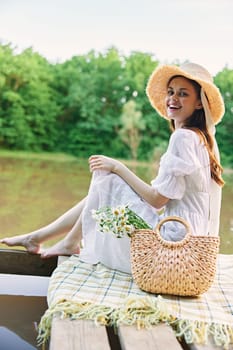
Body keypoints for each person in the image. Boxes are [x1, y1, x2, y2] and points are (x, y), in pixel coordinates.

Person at [0, 62, 225, 274]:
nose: (173, 98)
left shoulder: (183, 138)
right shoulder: (202, 140)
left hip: (173, 242)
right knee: (106, 185)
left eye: (183, 93)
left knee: (107, 177)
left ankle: (63, 240)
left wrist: (119, 167)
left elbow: (157, 200)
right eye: (170, 91)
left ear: (199, 103)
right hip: (193, 244)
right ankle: (49, 238)